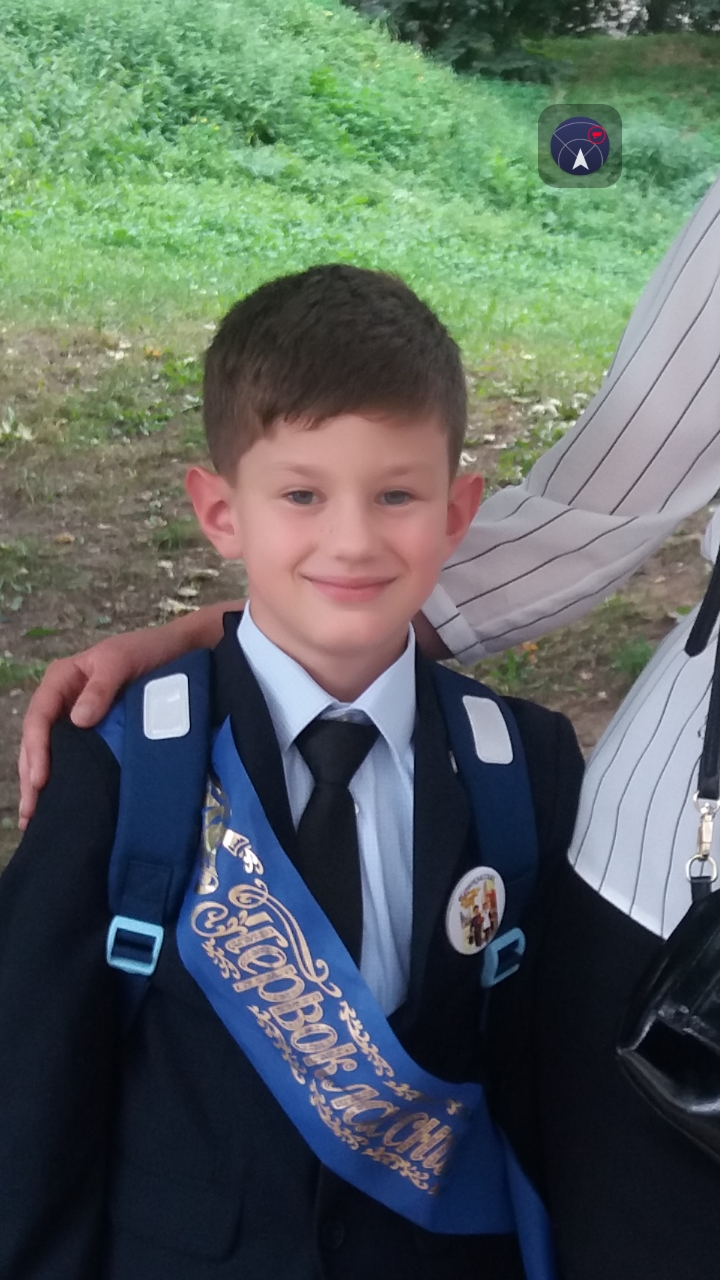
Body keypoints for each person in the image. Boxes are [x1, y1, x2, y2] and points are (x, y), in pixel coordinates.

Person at [18, 168, 720, 1280]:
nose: (351, 540)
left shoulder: (524, 771)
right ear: (219, 513)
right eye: (301, 496)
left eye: (396, 496)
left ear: (456, 512)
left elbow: (522, 1102)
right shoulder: (127, 768)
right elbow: (31, 1104)